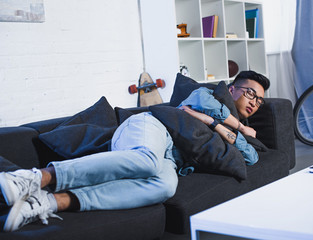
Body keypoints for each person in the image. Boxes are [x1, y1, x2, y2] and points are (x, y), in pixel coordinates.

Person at [0, 70, 269, 232]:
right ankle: (33, 178)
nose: (255, 102)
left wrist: (219, 126)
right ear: (232, 89)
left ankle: (46, 202)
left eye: (259, 100)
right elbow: (200, 102)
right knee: (147, 161)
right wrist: (228, 125)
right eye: (250, 93)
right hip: (151, 127)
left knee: (164, 186)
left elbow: (250, 156)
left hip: (171, 159)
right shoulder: (209, 96)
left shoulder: (241, 131)